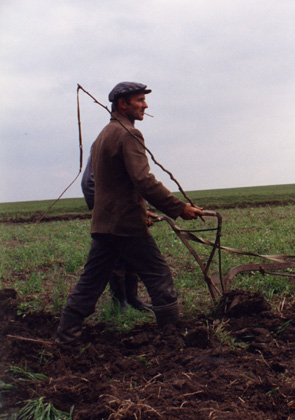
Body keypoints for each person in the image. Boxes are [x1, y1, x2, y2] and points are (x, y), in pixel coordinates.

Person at [56, 81, 204, 344]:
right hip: (126, 227)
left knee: (90, 282)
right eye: (139, 100)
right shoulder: (129, 134)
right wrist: (179, 208)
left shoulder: (103, 134)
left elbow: (112, 185)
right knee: (159, 276)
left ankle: (67, 335)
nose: (145, 105)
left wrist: (142, 211)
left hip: (104, 226)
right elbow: (143, 180)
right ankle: (172, 336)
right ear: (122, 104)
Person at [81, 153, 151, 312]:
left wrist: (140, 210)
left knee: (133, 256)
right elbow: (88, 184)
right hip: (113, 217)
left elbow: (136, 182)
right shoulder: (105, 144)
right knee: (116, 258)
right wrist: (106, 210)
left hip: (130, 213)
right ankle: (120, 302)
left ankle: (132, 298)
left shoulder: (129, 144)